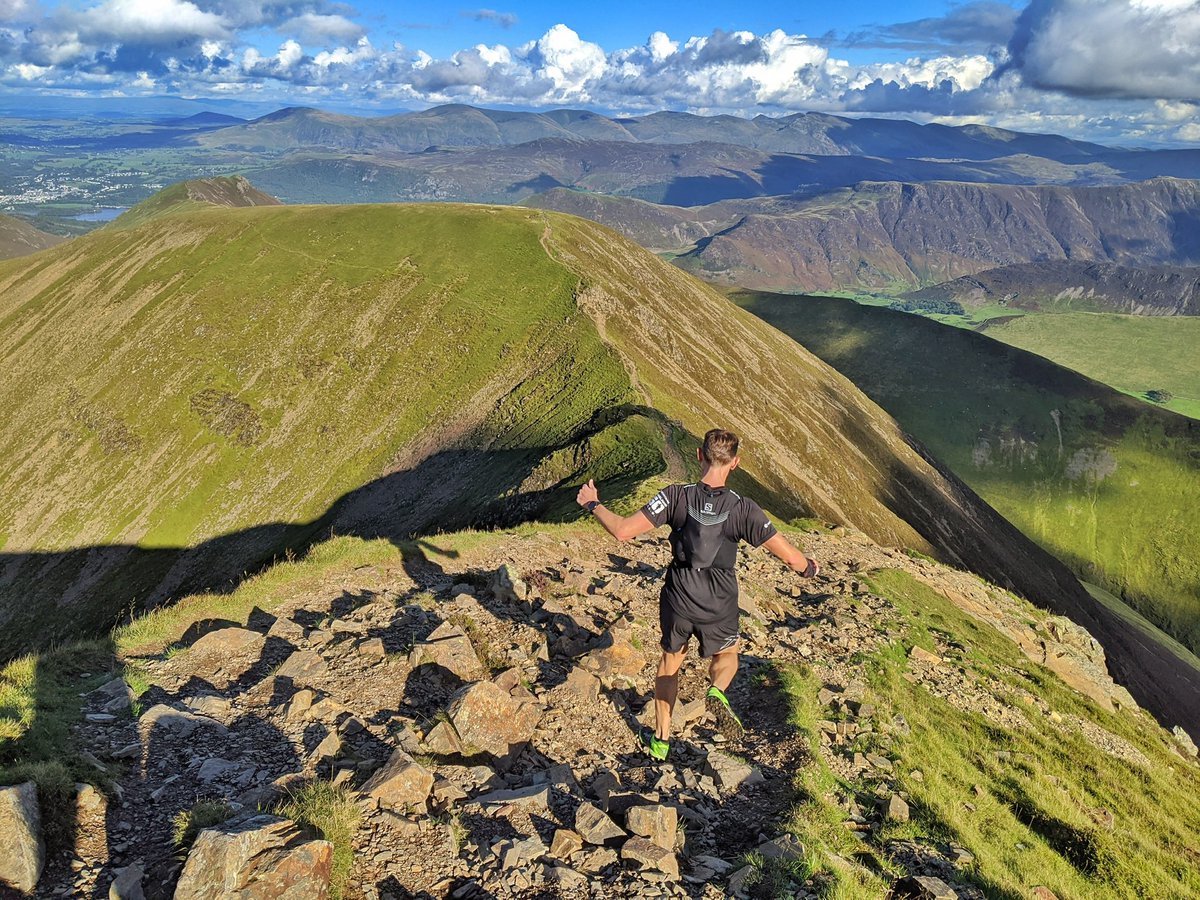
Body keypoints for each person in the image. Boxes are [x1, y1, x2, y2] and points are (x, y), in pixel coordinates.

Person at [576, 427, 819, 762]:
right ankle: (717, 690)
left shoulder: (675, 495)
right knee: (727, 653)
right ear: (735, 463)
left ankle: (661, 740)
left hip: (679, 593)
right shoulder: (744, 508)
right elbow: (791, 557)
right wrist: (809, 567)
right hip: (718, 598)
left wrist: (593, 504)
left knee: (669, 662)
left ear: (699, 455)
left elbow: (622, 531)